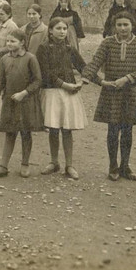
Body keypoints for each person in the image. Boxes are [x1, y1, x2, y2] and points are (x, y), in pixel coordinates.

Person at [83, 11, 136, 182]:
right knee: (113, 131)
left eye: (126, 25)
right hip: (111, 92)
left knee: (127, 130)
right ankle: (113, 166)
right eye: (119, 25)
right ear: (114, 26)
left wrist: (127, 79)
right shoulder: (107, 43)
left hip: (131, 92)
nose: (122, 28)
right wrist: (97, 81)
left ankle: (125, 166)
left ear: (133, 26)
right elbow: (94, 63)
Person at [0, 28, 43, 179]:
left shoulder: (31, 58)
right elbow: (0, 80)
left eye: (13, 41)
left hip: (26, 101)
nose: (9, 44)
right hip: (9, 101)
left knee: (25, 132)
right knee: (9, 133)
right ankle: (3, 166)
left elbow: (38, 81)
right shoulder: (4, 59)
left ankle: (25, 164)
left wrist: (24, 93)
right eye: (8, 41)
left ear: (22, 43)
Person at [37, 17, 87, 180]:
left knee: (67, 129)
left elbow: (82, 66)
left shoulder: (69, 48)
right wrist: (63, 84)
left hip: (68, 92)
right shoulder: (43, 49)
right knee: (53, 128)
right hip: (52, 91)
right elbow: (45, 72)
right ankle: (54, 162)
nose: (62, 32)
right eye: (58, 28)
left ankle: (69, 165)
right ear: (50, 31)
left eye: (64, 29)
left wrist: (85, 79)